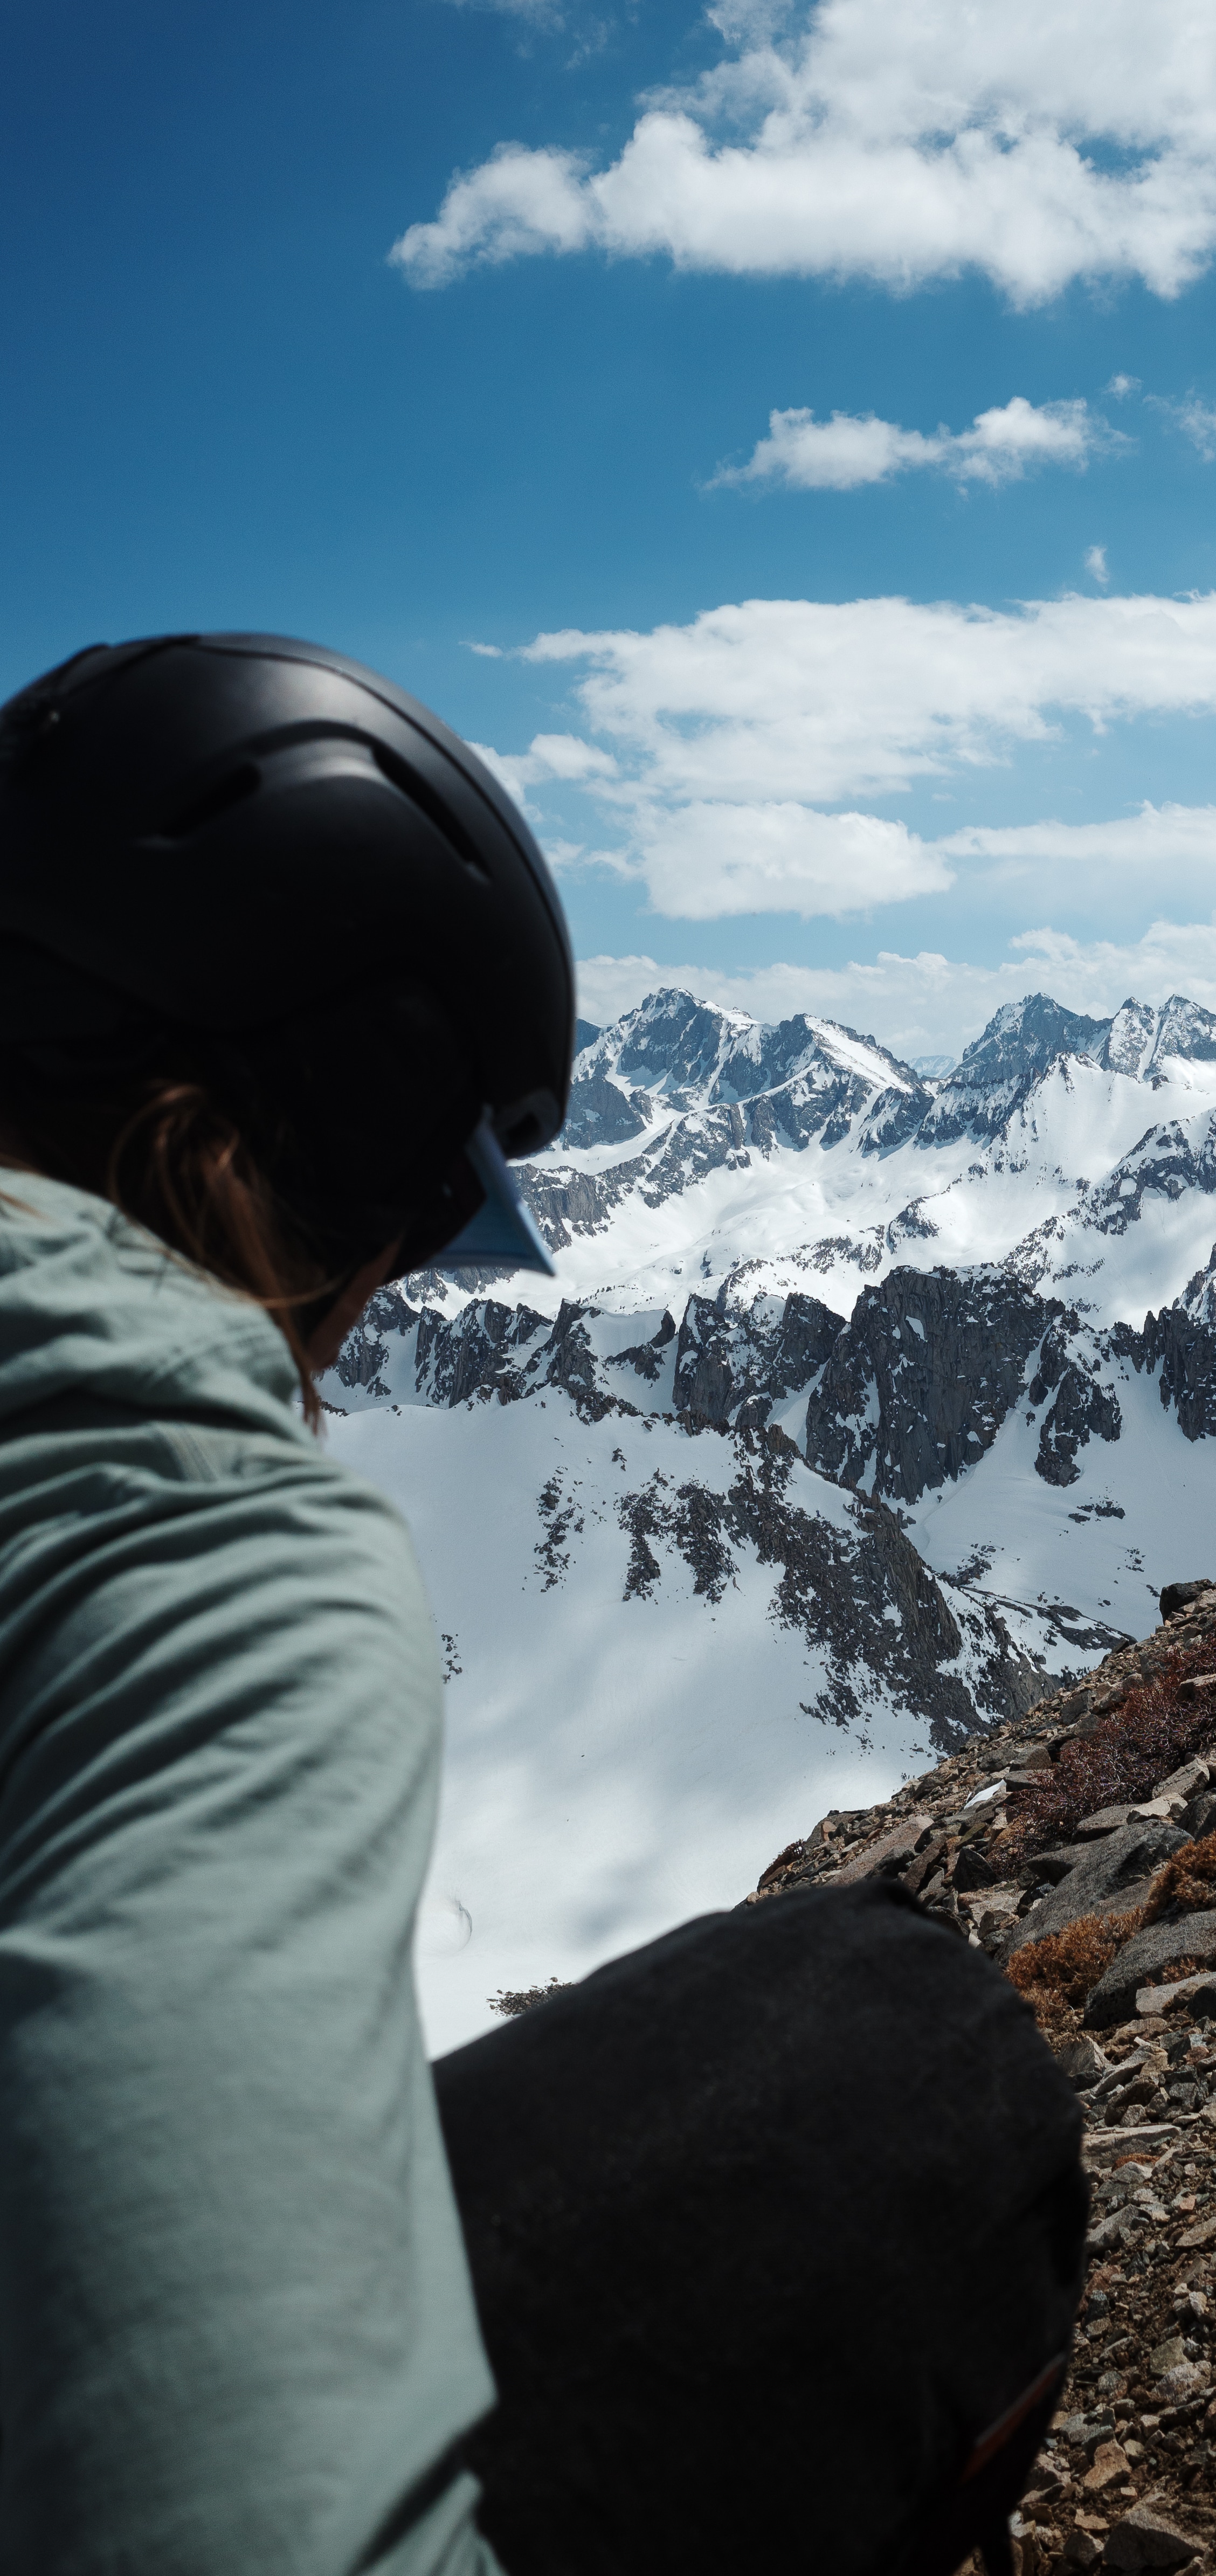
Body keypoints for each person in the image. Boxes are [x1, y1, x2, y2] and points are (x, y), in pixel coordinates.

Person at [0, 633, 1084, 2575]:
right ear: (321, 1138)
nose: (372, 1316)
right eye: (417, 1222)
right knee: (886, 2035)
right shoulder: (178, 1541)